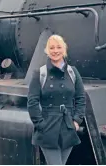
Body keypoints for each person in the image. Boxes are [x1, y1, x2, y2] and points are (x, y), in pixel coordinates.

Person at [27, 34, 86, 165]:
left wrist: (76, 121)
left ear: (64, 49)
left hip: (68, 127)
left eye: (58, 47)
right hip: (48, 127)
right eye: (52, 48)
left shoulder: (73, 72)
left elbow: (81, 98)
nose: (55, 51)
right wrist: (40, 124)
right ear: (47, 51)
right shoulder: (40, 73)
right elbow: (32, 101)